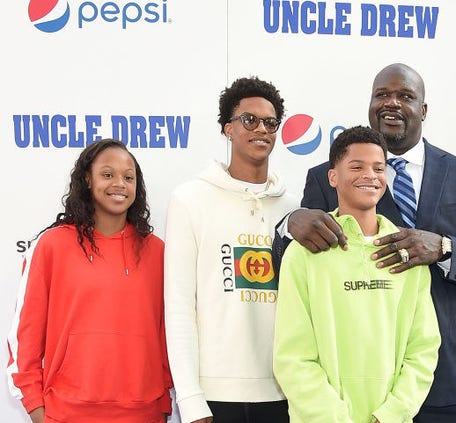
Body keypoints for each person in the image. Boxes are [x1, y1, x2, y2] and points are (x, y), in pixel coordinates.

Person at [276, 63, 456, 422]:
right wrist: (289, 222)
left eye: (405, 96)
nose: (392, 103)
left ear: (424, 109)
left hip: (445, 380)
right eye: (382, 95)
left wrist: (444, 248)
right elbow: (296, 265)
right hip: (354, 392)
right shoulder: (326, 177)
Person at [273, 125, 441, 422]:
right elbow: (292, 358)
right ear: (332, 177)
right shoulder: (303, 253)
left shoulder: (406, 250)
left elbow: (423, 350)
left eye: (379, 168)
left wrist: (390, 415)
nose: (370, 175)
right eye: (357, 166)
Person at [6, 139, 172, 423]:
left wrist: (164, 405)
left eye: (128, 177)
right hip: (66, 413)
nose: (119, 184)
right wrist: (35, 407)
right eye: (107, 174)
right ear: (87, 179)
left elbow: (168, 335)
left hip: (144, 414)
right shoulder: (51, 246)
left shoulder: (157, 252)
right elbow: (26, 337)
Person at [164, 76, 297, 423]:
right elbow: (179, 308)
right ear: (228, 128)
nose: (261, 129)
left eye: (270, 122)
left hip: (285, 393)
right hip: (214, 396)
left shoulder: (294, 208)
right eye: (249, 120)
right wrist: (190, 399)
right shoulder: (189, 199)